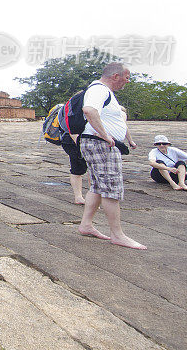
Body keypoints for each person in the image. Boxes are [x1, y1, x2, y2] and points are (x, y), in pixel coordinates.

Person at [77, 62, 146, 250]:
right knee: (111, 187)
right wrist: (106, 135)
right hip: (101, 144)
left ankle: (86, 224)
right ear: (116, 76)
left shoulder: (102, 91)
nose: (127, 81)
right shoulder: (100, 89)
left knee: (99, 186)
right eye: (127, 77)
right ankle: (118, 234)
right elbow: (89, 110)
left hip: (97, 143)